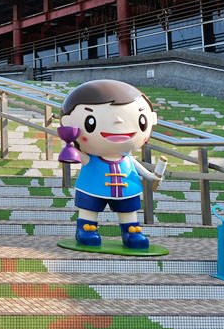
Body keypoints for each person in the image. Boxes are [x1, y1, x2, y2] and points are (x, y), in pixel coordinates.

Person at [58, 79, 160, 249]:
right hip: (92, 187)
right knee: (89, 209)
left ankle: (132, 233)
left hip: (127, 187)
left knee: (128, 211)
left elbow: (136, 165)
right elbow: (75, 157)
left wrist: (151, 176)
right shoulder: (90, 158)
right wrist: (69, 147)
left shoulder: (127, 159)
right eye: (90, 122)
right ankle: (86, 230)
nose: (119, 123)